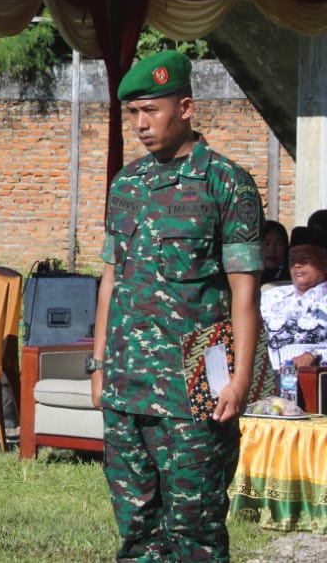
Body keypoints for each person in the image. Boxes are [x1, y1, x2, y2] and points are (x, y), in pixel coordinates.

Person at [89, 49, 263, 562]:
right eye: (133, 113)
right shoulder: (127, 184)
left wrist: (240, 380)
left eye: (151, 110)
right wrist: (98, 367)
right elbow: (110, 281)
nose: (140, 124)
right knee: (137, 527)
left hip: (195, 386)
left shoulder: (225, 183)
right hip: (126, 383)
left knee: (195, 529)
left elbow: (245, 292)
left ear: (185, 108)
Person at [260, 224, 327, 368]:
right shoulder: (270, 295)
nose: (297, 265)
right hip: (267, 376)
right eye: (292, 260)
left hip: (315, 374)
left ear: (325, 263)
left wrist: (315, 355)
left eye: (305, 259)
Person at [260, 220, 290, 288]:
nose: (272, 249)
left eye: (279, 244)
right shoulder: (248, 277)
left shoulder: (292, 278)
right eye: (266, 243)